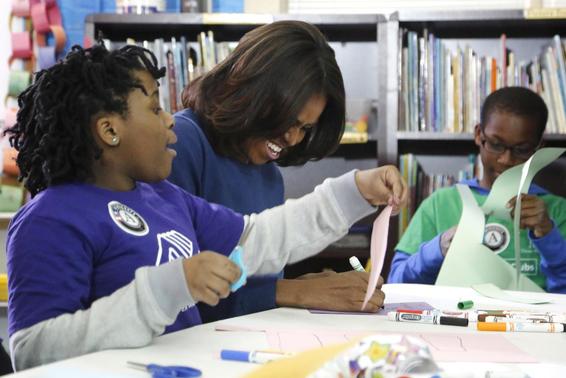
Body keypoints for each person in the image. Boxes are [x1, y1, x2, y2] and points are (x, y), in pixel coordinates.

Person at [5, 43, 407, 370]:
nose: (169, 121)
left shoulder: (165, 197)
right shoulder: (49, 219)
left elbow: (258, 238)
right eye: (154, 108)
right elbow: (33, 351)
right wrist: (164, 289)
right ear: (109, 130)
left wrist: (353, 192)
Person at [169, 20, 380, 322]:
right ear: (251, 91)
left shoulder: (269, 175)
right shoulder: (181, 143)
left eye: (305, 128)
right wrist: (292, 292)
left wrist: (300, 287)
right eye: (289, 121)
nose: (293, 139)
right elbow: (176, 295)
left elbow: (251, 281)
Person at [388, 86, 566, 293]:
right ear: (479, 134)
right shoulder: (440, 204)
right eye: (496, 144)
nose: (506, 160)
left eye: (522, 149)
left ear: (539, 147)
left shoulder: (556, 210)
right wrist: (437, 249)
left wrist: (548, 234)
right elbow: (396, 284)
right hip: (454, 322)